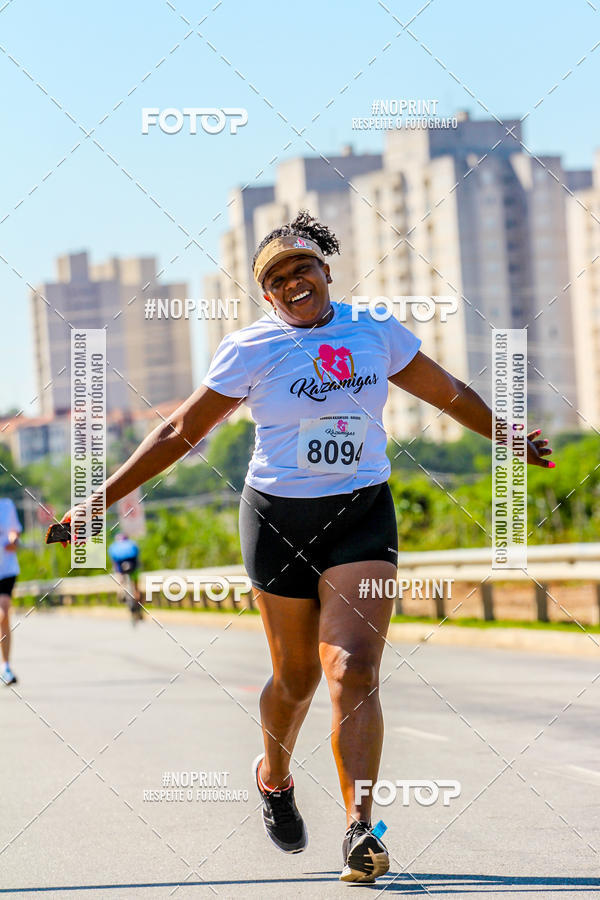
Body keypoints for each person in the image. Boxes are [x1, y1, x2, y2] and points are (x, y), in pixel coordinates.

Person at [60, 211, 554, 883]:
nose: (293, 284)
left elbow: (449, 392)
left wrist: (508, 435)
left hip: (361, 516)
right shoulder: (249, 349)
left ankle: (361, 830)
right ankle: (274, 775)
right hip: (276, 522)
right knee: (296, 679)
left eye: (303, 270)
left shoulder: (374, 331)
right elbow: (179, 431)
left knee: (352, 668)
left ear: (327, 272)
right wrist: (100, 499)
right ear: (266, 295)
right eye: (277, 279)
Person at [0, 497, 23, 686]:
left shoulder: (7, 504)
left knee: (3, 614)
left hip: (6, 569)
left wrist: (14, 539)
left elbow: (15, 530)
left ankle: (6, 667)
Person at [108, 533, 143, 623]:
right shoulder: (132, 544)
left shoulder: (114, 547)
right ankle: (137, 600)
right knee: (136, 586)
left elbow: (114, 561)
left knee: (120, 579)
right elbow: (137, 557)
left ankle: (121, 592)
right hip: (133, 566)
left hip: (120, 566)